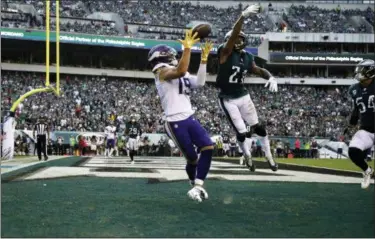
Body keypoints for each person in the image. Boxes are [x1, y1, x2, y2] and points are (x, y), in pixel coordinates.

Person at [148, 29, 214, 202]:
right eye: (170, 54)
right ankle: (193, 182)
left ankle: (198, 186)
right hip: (174, 120)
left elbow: (200, 82)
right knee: (192, 159)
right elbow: (180, 70)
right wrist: (187, 49)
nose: (173, 56)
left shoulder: (177, 70)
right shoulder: (160, 72)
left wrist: (204, 60)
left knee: (208, 147)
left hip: (189, 117)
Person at [216, 4, 277, 172]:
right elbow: (233, 36)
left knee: (259, 128)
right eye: (234, 39)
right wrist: (242, 16)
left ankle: (269, 157)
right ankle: (248, 156)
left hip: (243, 96)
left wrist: (270, 77)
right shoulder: (225, 52)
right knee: (242, 134)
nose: (237, 41)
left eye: (239, 39)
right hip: (228, 98)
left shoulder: (248, 57)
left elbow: (258, 70)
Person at [345, 59, 375, 189]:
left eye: (362, 70)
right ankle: (367, 170)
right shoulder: (354, 89)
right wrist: (351, 124)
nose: (359, 73)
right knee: (353, 151)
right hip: (367, 130)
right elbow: (356, 109)